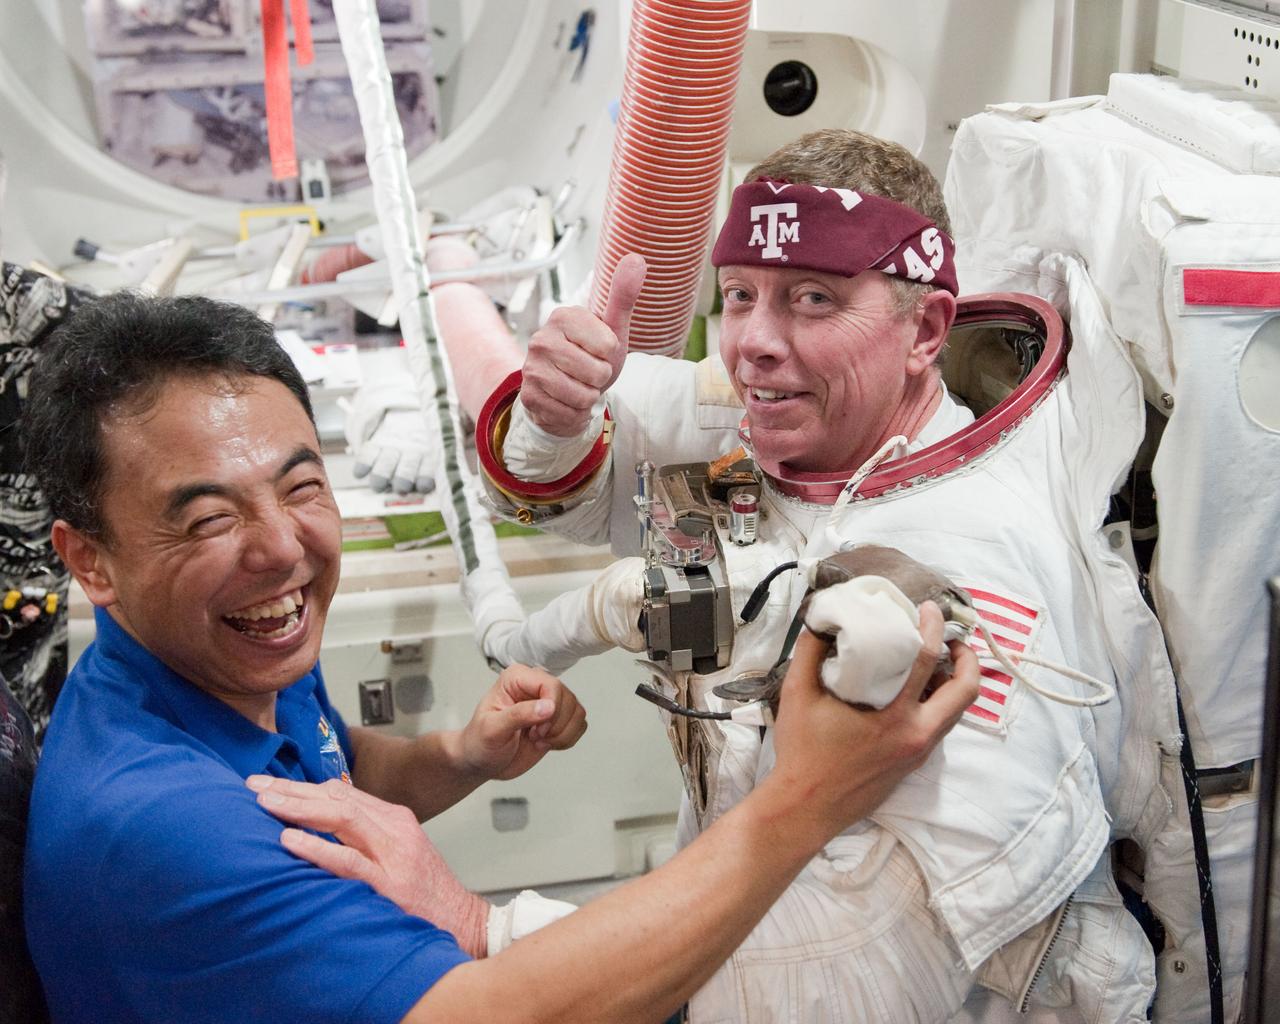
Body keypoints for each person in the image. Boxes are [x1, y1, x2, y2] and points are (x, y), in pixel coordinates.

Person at [20, 290, 978, 1023]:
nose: (282, 549)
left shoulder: (215, 649)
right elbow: (516, 1012)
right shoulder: (158, 826)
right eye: (210, 517)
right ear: (90, 561)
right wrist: (807, 797)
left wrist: (457, 758)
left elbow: (329, 766)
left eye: (301, 485)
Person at [470, 129, 1161, 1021]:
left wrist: (494, 939)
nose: (753, 343)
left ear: (926, 330)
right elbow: (558, 503)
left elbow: (851, 973)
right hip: (724, 922)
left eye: (811, 300)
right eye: (740, 297)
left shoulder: (977, 575)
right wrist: (554, 420)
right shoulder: (772, 434)